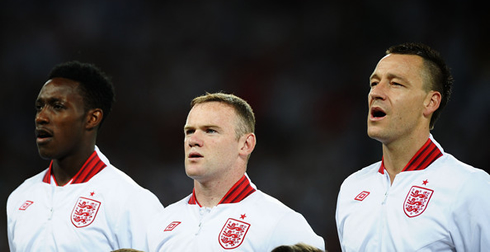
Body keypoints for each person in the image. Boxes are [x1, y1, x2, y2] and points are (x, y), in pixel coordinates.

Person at [336, 43, 490, 251]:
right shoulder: (351, 188)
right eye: (374, 83)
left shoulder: (470, 187)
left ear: (430, 102)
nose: (376, 93)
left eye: (396, 84)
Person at [7, 61, 165, 251]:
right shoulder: (20, 197)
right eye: (40, 106)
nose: (41, 117)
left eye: (57, 106)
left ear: (92, 118)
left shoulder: (131, 201)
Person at [147, 92, 325, 251]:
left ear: (246, 144)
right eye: (189, 131)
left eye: (210, 131)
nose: (193, 140)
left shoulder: (281, 224)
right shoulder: (161, 222)